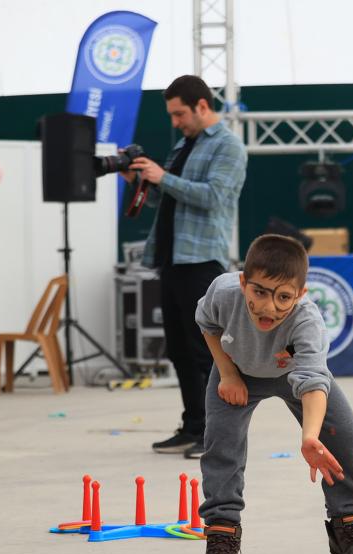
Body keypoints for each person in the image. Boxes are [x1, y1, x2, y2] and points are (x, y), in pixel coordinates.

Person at [193, 234, 353, 554]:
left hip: (291, 374)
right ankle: (222, 531)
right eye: (259, 292)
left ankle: (347, 523)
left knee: (345, 435)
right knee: (222, 442)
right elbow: (207, 323)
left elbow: (312, 381)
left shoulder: (307, 321)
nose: (269, 307)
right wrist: (228, 372)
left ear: (301, 294)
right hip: (237, 371)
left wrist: (311, 437)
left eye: (284, 297)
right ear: (243, 283)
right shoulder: (223, 292)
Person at [132, 75, 246, 459]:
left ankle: (215, 434)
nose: (175, 122)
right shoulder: (184, 144)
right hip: (172, 259)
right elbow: (166, 200)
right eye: (171, 115)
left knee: (205, 351)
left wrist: (163, 177)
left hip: (201, 261)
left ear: (201, 106)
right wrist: (143, 182)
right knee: (180, 349)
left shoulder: (229, 146)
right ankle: (193, 426)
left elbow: (214, 198)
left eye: (179, 113)